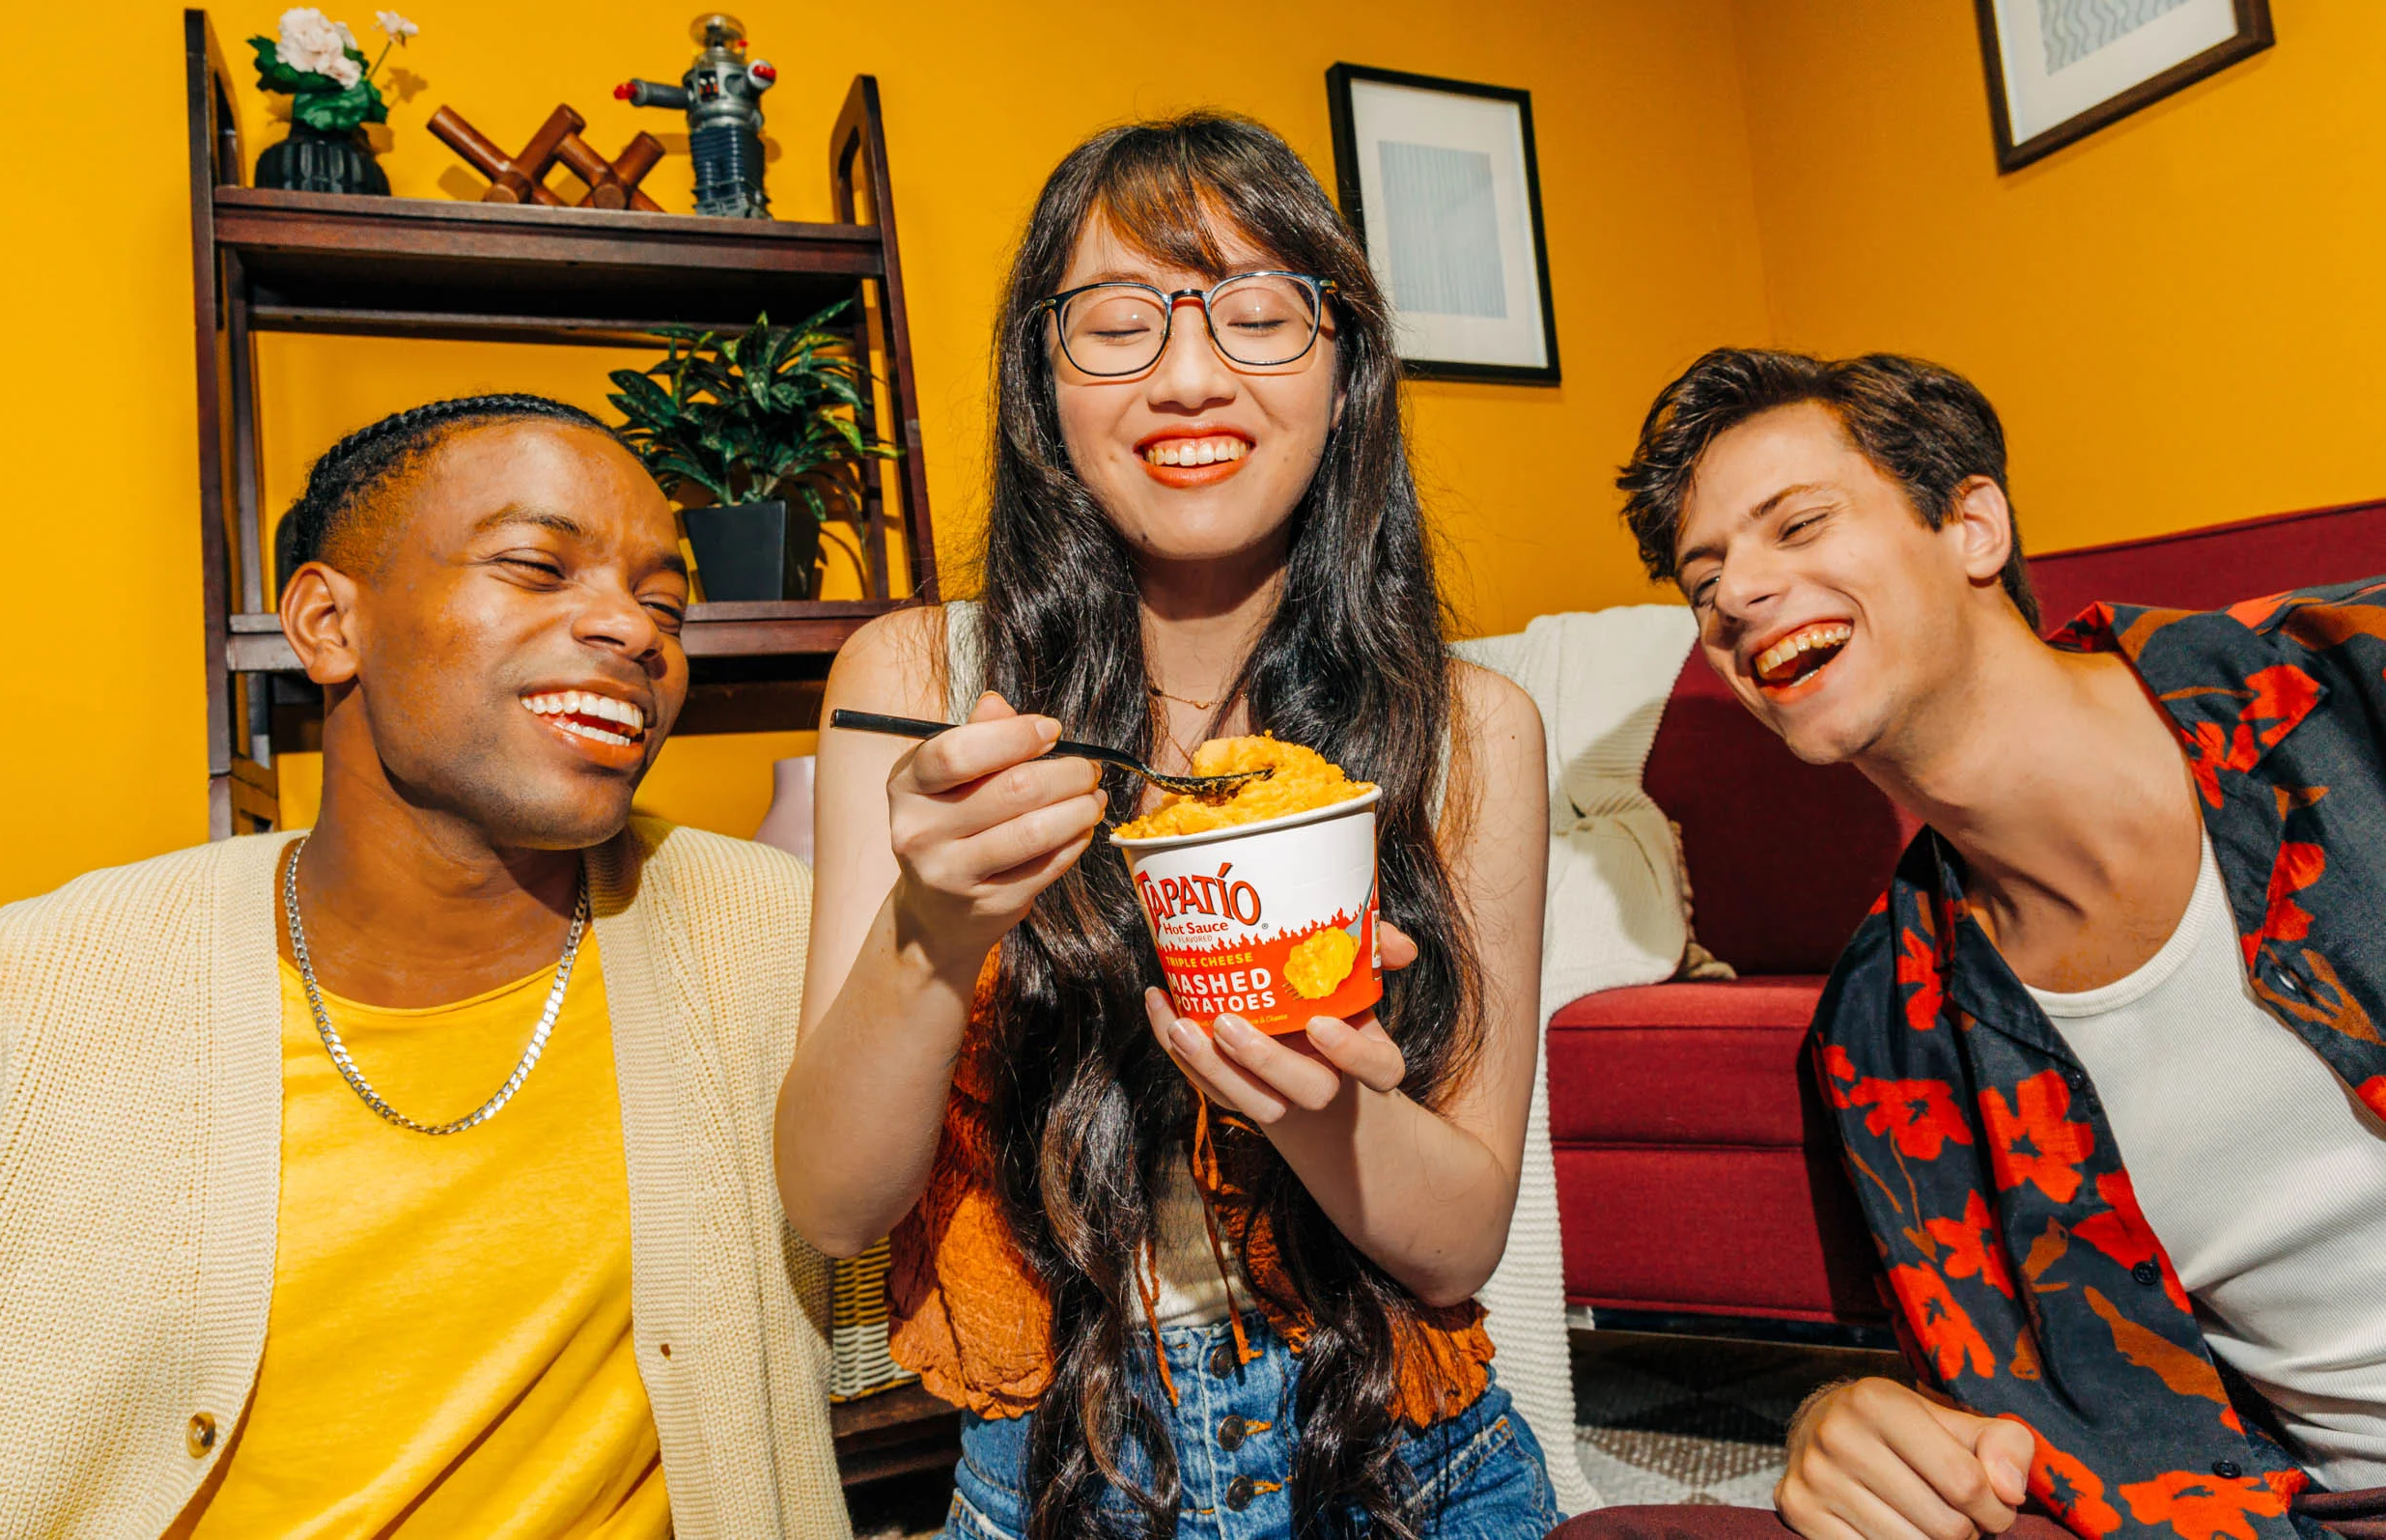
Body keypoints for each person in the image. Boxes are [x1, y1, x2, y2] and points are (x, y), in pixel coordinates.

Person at [779, 114, 1560, 1540]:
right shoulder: (917, 683)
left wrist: (1318, 1093)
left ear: (1345, 370)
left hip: (1415, 1471)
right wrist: (934, 933)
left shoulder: (1471, 727)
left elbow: (1459, 1237)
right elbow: (833, 1204)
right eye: (1117, 324)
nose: (1191, 374)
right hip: (1051, 1478)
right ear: (1043, 383)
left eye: (1262, 315)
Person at [0, 395, 850, 1539]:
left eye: (662, 602)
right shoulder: (31, 993)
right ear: (329, 623)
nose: (634, 632)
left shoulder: (766, 939)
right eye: (539, 565)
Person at [1553, 348, 2386, 1540]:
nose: (1736, 594)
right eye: (1705, 578)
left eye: (1796, 524)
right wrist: (1841, 1414)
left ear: (1972, 524)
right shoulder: (1885, 1026)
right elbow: (2010, 1386)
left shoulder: (2345, 695)